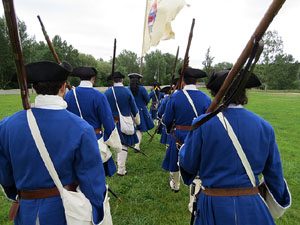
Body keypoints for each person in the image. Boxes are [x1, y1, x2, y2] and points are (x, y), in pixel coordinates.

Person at [0, 61, 109, 224]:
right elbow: (92, 181)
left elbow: (5, 175)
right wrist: (96, 210)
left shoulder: (7, 125)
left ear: (36, 89)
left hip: (26, 213)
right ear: (63, 87)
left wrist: (18, 194)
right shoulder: (81, 128)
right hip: (63, 212)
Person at [179, 69, 291, 225]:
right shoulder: (264, 126)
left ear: (215, 92)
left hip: (213, 206)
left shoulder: (202, 124)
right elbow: (275, 176)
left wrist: (185, 147)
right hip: (252, 207)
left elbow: (189, 164)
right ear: (243, 92)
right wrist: (279, 197)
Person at [64, 66, 122, 177]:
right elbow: (108, 122)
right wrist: (114, 143)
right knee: (97, 175)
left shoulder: (69, 95)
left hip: (74, 139)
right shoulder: (99, 96)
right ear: (93, 79)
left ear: (80, 79)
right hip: (95, 138)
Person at [162, 67, 211, 193]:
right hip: (197, 135)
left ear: (183, 81)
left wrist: (169, 129)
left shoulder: (174, 97)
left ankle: (175, 185)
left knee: (175, 161)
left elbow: (167, 119)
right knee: (197, 161)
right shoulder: (206, 98)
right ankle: (194, 189)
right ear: (195, 82)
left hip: (178, 134)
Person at [104, 72, 140, 176]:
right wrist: (137, 121)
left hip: (111, 122)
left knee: (115, 142)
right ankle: (121, 169)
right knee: (124, 144)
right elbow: (134, 108)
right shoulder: (127, 91)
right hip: (125, 121)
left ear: (112, 81)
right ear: (122, 80)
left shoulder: (107, 92)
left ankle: (118, 162)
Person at [128, 73, 154, 150]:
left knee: (132, 127)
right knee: (140, 129)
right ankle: (137, 146)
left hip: (130, 111)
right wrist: (144, 104)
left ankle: (133, 143)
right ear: (139, 80)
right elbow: (147, 99)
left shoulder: (128, 89)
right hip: (141, 111)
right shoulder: (142, 89)